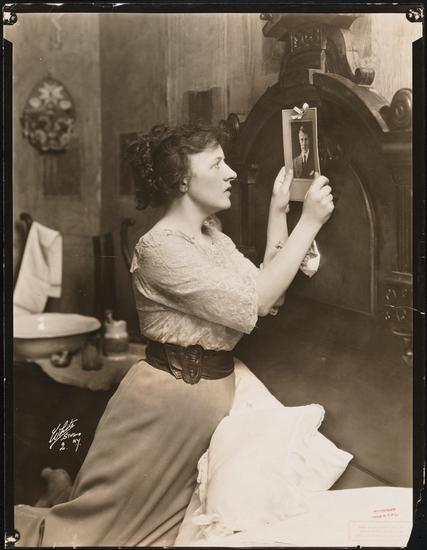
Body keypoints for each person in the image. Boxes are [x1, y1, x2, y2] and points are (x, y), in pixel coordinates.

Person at [14, 123, 333, 547]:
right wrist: (308, 223)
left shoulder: (214, 238)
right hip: (157, 411)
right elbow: (257, 301)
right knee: (93, 536)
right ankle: (58, 493)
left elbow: (269, 292)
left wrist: (279, 212)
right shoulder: (158, 248)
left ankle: (61, 487)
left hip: (199, 405)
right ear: (183, 179)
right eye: (217, 164)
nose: (231, 173)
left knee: (139, 531)